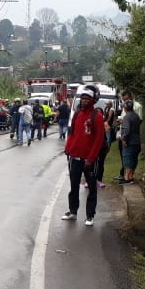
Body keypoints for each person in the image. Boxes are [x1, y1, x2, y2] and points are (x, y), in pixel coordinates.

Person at [61, 86, 106, 226]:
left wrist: (91, 159)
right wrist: (68, 148)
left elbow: (98, 140)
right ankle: (73, 211)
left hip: (89, 160)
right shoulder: (77, 114)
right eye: (82, 98)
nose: (84, 101)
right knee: (73, 186)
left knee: (92, 188)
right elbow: (72, 133)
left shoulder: (97, 117)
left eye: (87, 99)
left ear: (92, 101)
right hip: (74, 158)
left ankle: (90, 215)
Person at [119, 97, 142, 185]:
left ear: (125, 108)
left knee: (127, 160)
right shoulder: (136, 116)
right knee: (134, 159)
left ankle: (127, 178)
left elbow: (127, 129)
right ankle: (131, 176)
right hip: (137, 141)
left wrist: (124, 139)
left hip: (130, 142)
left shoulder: (126, 117)